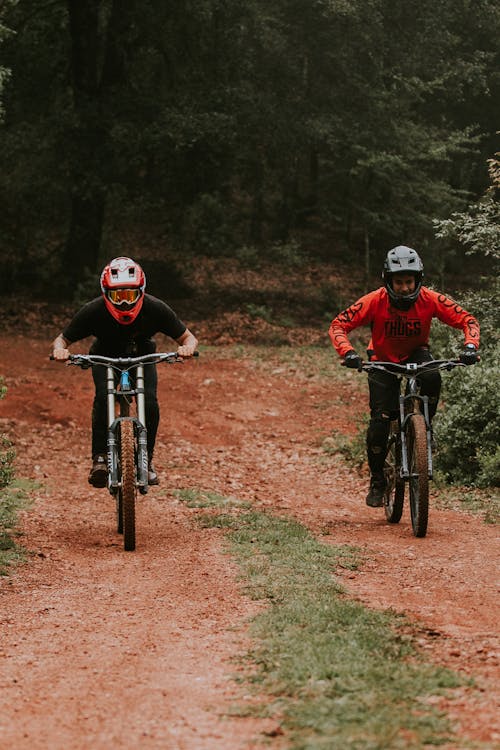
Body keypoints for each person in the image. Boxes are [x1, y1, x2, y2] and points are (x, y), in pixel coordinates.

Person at [329, 245, 480, 507]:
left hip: (416, 354)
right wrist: (349, 352)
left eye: (408, 282)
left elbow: (468, 320)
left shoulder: (431, 299)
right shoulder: (374, 300)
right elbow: (339, 324)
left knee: (432, 374)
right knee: (380, 421)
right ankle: (378, 479)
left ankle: (425, 429)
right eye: (398, 282)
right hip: (382, 359)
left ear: (417, 280)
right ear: (388, 281)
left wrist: (469, 347)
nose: (403, 288)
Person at [51, 256, 198, 488]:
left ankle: (146, 460)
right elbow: (62, 339)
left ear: (141, 292)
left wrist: (187, 347)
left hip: (142, 356)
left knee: (149, 402)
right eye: (116, 296)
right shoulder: (93, 310)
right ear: (105, 294)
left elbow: (188, 336)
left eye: (129, 295)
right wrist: (60, 351)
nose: (123, 303)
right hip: (104, 356)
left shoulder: (155, 308)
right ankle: (100, 457)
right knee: (103, 397)